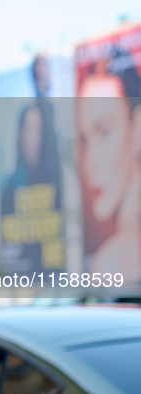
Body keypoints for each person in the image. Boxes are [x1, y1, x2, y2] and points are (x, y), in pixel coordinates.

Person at [77, 49, 141, 284]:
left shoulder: (111, 263)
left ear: (137, 127)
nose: (90, 163)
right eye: (85, 141)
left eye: (104, 132)